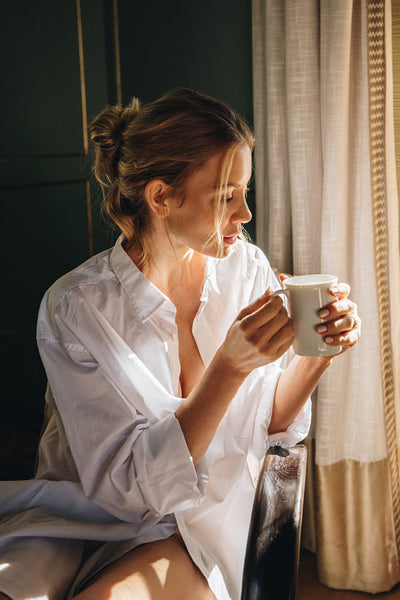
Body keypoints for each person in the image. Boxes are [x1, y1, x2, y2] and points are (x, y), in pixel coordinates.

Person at [0, 89, 361, 600]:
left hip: (205, 518)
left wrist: (317, 351)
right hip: (88, 520)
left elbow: (273, 424)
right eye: (225, 197)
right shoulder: (78, 307)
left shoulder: (246, 270)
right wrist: (229, 368)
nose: (246, 214)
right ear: (161, 196)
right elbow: (129, 493)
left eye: (244, 190)